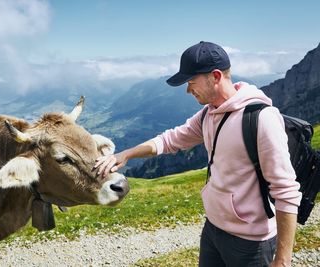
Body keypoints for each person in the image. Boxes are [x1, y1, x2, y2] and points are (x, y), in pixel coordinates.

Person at [94, 41, 302, 267]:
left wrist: (282, 260)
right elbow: (170, 140)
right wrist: (126, 154)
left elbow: (286, 191)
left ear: (215, 76)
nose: (187, 89)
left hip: (251, 243)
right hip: (213, 229)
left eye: (191, 81)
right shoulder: (208, 114)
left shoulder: (262, 118)